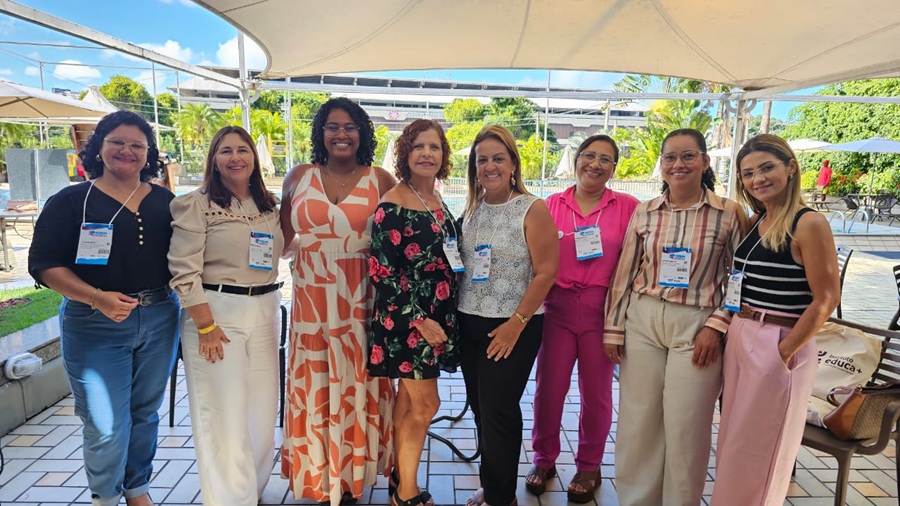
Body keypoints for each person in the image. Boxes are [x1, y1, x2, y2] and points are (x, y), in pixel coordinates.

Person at [28, 110, 179, 506]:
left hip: (160, 316)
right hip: (93, 322)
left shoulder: (166, 201)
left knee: (144, 413)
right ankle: (106, 497)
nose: (126, 151)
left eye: (137, 145)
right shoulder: (70, 201)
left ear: (148, 154)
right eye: (117, 142)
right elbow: (43, 264)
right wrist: (97, 297)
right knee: (106, 423)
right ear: (98, 148)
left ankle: (137, 490)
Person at [603, 128, 746, 506]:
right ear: (661, 164)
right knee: (638, 422)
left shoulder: (729, 213)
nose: (678, 164)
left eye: (687, 156)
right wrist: (613, 327)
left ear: (704, 161)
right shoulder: (645, 211)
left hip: (697, 325)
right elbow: (625, 272)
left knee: (687, 425)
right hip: (643, 320)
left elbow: (739, 278)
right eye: (670, 157)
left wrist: (718, 326)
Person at [280, 97, 397, 505]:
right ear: (321, 132)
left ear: (362, 133)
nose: (341, 134)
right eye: (332, 126)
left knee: (358, 384)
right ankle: (319, 473)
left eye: (350, 126)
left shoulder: (380, 180)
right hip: (311, 304)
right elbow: (282, 239)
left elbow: (399, 238)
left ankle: (353, 475)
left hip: (361, 302)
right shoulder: (298, 176)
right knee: (314, 383)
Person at [711, 135, 840, 505]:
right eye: (748, 173)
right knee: (736, 440)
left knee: (765, 447)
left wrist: (783, 352)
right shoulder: (758, 220)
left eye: (767, 168)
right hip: (743, 332)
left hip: (779, 336)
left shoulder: (808, 223)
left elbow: (826, 298)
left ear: (791, 167)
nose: (758, 179)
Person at [167, 126, 283, 505]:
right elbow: (183, 271)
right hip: (217, 314)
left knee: (262, 411)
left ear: (254, 157)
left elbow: (285, 248)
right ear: (213, 160)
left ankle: (253, 491)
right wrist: (206, 325)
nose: (236, 157)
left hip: (266, 310)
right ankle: (231, 499)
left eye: (243, 150)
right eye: (226, 151)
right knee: (223, 413)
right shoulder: (196, 204)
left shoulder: (268, 205)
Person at [526, 135, 639, 502]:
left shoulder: (629, 207)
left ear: (614, 168)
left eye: (605, 159)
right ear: (576, 160)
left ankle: (590, 464)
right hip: (556, 307)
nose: (595, 164)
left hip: (602, 310)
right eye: (589, 155)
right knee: (548, 389)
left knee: (597, 393)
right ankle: (544, 459)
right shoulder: (550, 205)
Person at [459, 125, 559, 506]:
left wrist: (515, 325)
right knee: (481, 410)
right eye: (482, 159)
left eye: (498, 158)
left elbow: (546, 272)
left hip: (514, 324)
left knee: (498, 410)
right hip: (469, 322)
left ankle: (502, 497)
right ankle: (493, 485)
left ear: (514, 163)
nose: (490, 166)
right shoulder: (472, 209)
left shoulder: (532, 208)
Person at [367, 119, 460, 506]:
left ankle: (400, 478)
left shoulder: (434, 198)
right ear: (405, 153)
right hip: (410, 320)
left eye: (434, 147)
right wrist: (420, 319)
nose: (427, 153)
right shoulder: (393, 203)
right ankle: (406, 492)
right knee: (426, 405)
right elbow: (381, 272)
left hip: (436, 315)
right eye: (419, 146)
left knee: (408, 403)